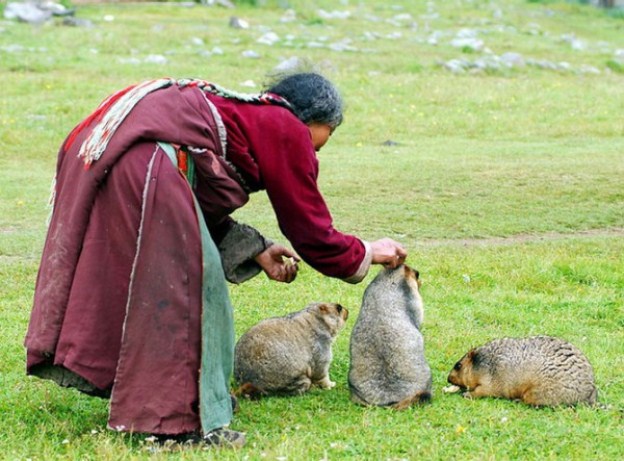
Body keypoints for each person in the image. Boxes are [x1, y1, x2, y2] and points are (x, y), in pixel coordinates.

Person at [24, 71, 407, 448]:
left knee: (137, 285)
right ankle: (176, 424)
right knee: (188, 293)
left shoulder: (243, 115)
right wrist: (368, 251)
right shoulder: (285, 125)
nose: (319, 149)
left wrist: (254, 248)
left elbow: (193, 195)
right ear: (314, 118)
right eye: (328, 134)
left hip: (120, 160)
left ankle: (165, 399)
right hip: (141, 166)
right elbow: (309, 227)